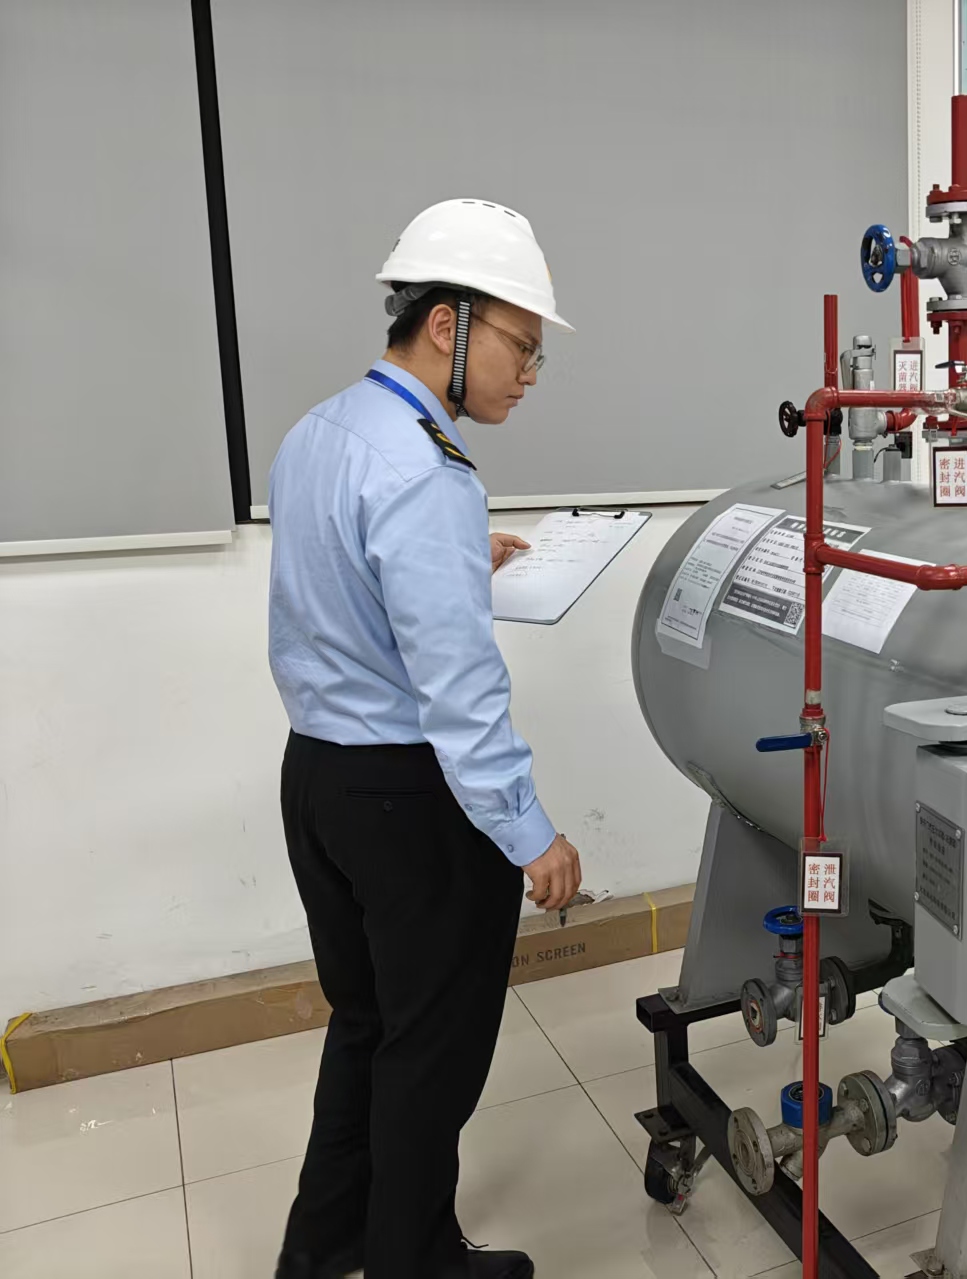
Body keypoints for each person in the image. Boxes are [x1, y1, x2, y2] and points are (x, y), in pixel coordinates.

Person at [267, 199, 581, 1279]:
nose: (527, 375)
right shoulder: (426, 472)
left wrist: (457, 558)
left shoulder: (323, 432)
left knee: (365, 1023)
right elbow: (460, 696)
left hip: (320, 780)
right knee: (430, 1054)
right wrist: (532, 834)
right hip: (411, 805)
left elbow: (339, 589)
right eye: (519, 347)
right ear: (447, 325)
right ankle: (415, 1262)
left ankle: (321, 1250)